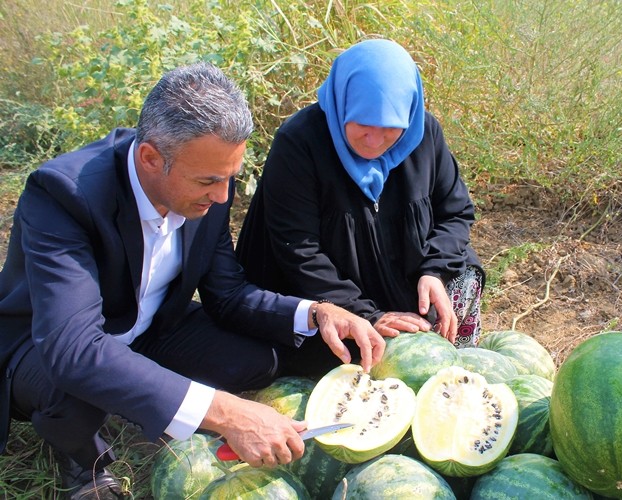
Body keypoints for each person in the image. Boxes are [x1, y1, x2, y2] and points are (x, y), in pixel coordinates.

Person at [0, 62, 386, 499]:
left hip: (149, 327)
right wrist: (225, 412)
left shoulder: (210, 180)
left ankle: (152, 392)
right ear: (150, 158)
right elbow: (73, 349)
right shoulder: (62, 194)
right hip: (44, 346)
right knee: (75, 390)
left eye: (230, 178)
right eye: (208, 181)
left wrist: (316, 311)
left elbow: (228, 293)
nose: (223, 196)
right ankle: (81, 462)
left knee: (259, 360)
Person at [235, 39, 484, 373]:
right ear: (342, 104)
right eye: (363, 125)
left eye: (390, 128)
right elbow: (298, 250)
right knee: (336, 356)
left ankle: (446, 364)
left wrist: (434, 271)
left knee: (461, 280)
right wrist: (367, 314)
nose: (375, 140)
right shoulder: (299, 143)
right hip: (325, 290)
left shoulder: (424, 134)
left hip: (404, 274)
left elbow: (455, 212)